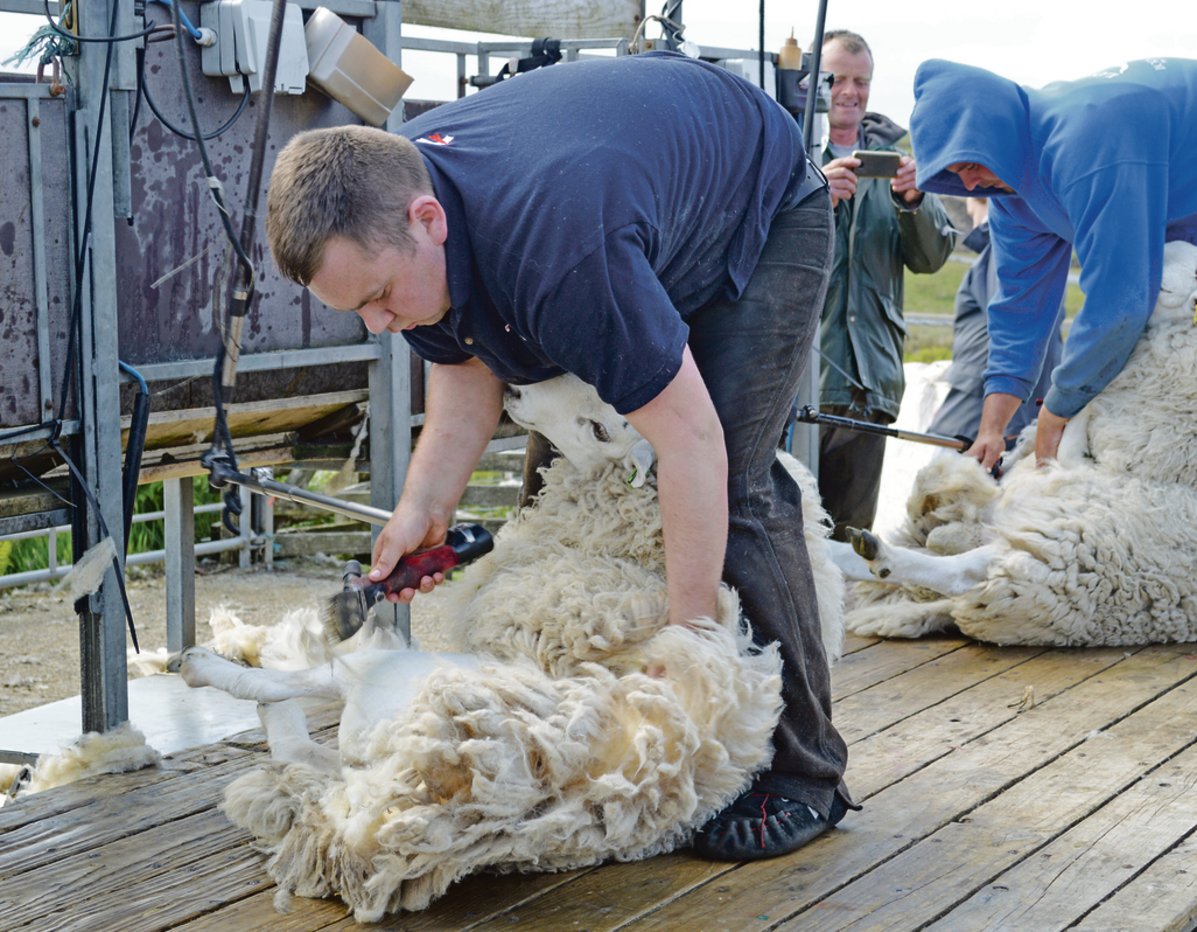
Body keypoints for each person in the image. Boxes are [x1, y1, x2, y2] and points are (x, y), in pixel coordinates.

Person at [264, 51, 853, 860]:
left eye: (375, 299)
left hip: (757, 200)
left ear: (427, 221)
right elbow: (462, 368)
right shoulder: (408, 234)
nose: (378, 326)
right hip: (623, 210)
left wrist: (687, 643)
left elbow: (691, 440)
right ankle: (592, 734)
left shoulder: (560, 252)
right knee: (567, 490)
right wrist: (422, 509)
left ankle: (807, 773)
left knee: (741, 483)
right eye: (355, 309)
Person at [907, 57, 1197, 642]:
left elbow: (1121, 297)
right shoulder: (1012, 192)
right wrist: (993, 425)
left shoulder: (1084, 142)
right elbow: (1020, 311)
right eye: (951, 173)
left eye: (970, 162)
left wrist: (1058, 409)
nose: (967, 183)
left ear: (993, 129)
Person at [815, 30, 957, 538]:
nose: (850, 91)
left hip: (868, 380)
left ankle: (840, 620)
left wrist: (914, 203)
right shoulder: (787, 152)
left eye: (861, 81)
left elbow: (933, 256)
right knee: (788, 525)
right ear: (812, 79)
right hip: (796, 379)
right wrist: (814, 199)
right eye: (837, 78)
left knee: (850, 536)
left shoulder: (898, 161)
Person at [928, 196, 1063, 443]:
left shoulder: (1006, 251)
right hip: (993, 425)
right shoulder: (1032, 254)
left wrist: (1002, 431)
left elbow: (1017, 336)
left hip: (976, 431)